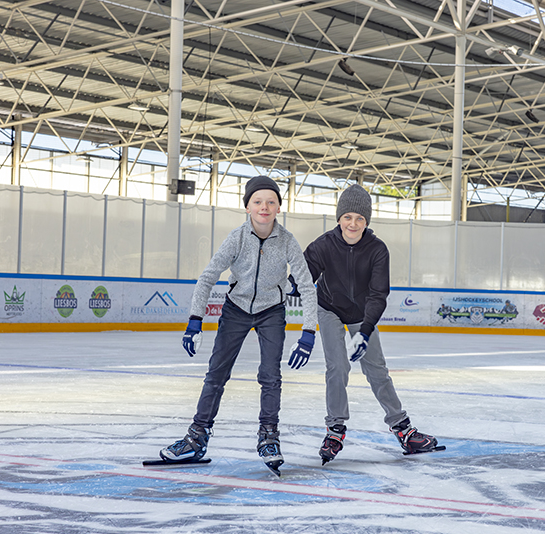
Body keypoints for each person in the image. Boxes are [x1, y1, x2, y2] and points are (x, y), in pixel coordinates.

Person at [160, 176, 317, 475]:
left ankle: (269, 436)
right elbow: (208, 276)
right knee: (217, 372)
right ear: (247, 207)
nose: (264, 207)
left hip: (272, 310)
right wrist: (195, 321)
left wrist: (308, 332)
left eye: (271, 202)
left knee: (270, 375)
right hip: (236, 309)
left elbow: (307, 287)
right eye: (257, 201)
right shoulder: (237, 238)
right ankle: (196, 437)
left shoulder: (287, 241)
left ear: (279, 208)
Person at [303, 184, 441, 464]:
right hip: (328, 308)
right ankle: (335, 429)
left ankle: (403, 429)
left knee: (377, 370)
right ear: (339, 218)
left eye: (360, 219)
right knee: (338, 366)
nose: (353, 224)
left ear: (367, 221)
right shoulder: (322, 245)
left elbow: (378, 295)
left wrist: (364, 332)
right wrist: (293, 283)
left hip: (362, 314)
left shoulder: (377, 250)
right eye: (348, 217)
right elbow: (305, 278)